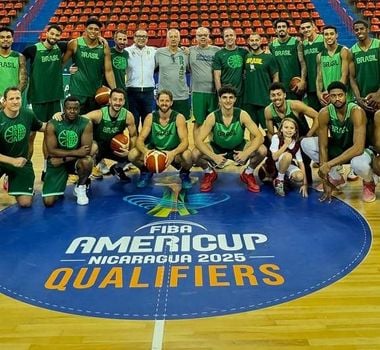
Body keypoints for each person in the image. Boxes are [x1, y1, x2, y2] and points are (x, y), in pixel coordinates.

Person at [301, 81, 374, 203]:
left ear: (346, 95)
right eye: (333, 96)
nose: (337, 99)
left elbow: (358, 148)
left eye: (340, 95)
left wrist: (329, 165)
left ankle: (369, 182)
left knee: (358, 165)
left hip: (360, 151)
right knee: (306, 143)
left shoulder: (356, 111)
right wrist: (325, 181)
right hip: (339, 147)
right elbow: (323, 146)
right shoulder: (324, 113)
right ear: (329, 97)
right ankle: (336, 178)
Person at [193, 85, 267, 192]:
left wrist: (246, 153)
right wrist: (213, 156)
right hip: (217, 148)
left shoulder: (242, 114)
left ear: (235, 99)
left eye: (231, 97)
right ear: (219, 99)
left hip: (238, 147)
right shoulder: (212, 117)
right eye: (224, 97)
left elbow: (259, 137)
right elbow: (198, 141)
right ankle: (209, 173)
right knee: (195, 154)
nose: (228, 100)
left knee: (262, 150)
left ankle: (248, 173)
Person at [23, 24, 66, 178]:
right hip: (37, 99)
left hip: (54, 98)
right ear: (46, 33)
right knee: (31, 136)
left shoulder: (61, 47)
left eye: (57, 35)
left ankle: (46, 169)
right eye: (52, 34)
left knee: (50, 134)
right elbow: (19, 63)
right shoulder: (32, 49)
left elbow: (78, 46)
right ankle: (24, 168)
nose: (54, 37)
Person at [128, 89, 193, 188]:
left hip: (173, 153)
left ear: (171, 102)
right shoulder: (150, 117)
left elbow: (185, 142)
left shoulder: (179, 118)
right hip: (154, 152)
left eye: (167, 101)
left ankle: (184, 174)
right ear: (157, 102)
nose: (164, 103)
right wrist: (146, 152)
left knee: (188, 155)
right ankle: (146, 171)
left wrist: (173, 153)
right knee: (132, 154)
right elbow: (140, 139)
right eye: (162, 101)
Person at [42, 96, 94, 207]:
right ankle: (59, 184)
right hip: (56, 162)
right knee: (48, 202)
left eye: (75, 108)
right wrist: (76, 152)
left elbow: (85, 151)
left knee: (87, 161)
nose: (72, 111)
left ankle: (80, 187)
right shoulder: (52, 124)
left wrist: (63, 159)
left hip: (66, 160)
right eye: (69, 108)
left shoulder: (86, 123)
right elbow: (51, 151)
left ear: (79, 109)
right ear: (64, 109)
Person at [263, 82, 319, 184]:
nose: (276, 98)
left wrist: (308, 135)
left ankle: (292, 173)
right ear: (270, 97)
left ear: (284, 95)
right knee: (262, 145)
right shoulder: (268, 111)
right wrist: (278, 146)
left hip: (301, 139)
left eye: (279, 94)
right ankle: (271, 168)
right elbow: (270, 133)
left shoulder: (295, 105)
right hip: (284, 140)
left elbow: (317, 117)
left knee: (306, 180)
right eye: (273, 95)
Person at [0, 87, 45, 208]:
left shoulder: (28, 114)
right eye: (11, 99)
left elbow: (43, 127)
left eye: (18, 98)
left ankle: (12, 182)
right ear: (4, 101)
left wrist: (58, 120)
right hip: (3, 161)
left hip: (21, 163)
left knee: (25, 203)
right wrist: (12, 161)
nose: (15, 101)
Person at [62, 17, 116, 114]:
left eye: (96, 29)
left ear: (99, 32)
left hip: (95, 92)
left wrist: (114, 91)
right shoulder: (75, 43)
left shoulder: (104, 47)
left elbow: (109, 71)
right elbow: (61, 63)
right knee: (75, 122)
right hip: (77, 91)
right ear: (85, 29)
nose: (93, 31)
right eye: (90, 28)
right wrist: (68, 70)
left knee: (94, 123)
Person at [86, 88, 137, 182]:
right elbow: (80, 119)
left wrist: (129, 151)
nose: (117, 102)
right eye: (115, 99)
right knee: (91, 148)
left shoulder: (128, 116)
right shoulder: (99, 114)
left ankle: (117, 168)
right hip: (98, 147)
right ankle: (86, 178)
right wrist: (62, 115)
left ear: (124, 101)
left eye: (120, 100)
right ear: (109, 100)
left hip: (115, 147)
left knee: (135, 153)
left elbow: (133, 136)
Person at [243, 33, 279, 130]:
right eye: (252, 40)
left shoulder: (269, 57)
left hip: (264, 98)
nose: (254, 43)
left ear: (260, 41)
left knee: (268, 129)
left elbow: (275, 76)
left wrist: (274, 94)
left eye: (256, 40)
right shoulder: (246, 57)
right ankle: (254, 145)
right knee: (252, 129)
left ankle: (271, 145)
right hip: (249, 100)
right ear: (248, 42)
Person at [189, 27, 220, 134]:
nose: (202, 37)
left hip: (214, 92)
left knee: (214, 121)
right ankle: (197, 146)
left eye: (205, 35)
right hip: (198, 92)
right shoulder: (190, 50)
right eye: (200, 35)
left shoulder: (217, 50)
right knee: (198, 122)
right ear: (196, 37)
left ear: (209, 36)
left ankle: (213, 146)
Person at [155, 29, 190, 120]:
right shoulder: (159, 53)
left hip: (181, 96)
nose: (173, 39)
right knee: (162, 123)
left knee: (182, 124)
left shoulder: (185, 53)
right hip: (164, 97)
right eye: (171, 37)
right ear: (167, 39)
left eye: (175, 37)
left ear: (179, 39)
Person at [126, 29, 156, 130]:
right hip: (132, 91)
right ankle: (134, 143)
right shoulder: (127, 52)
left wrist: (183, 49)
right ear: (134, 38)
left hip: (148, 91)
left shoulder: (153, 51)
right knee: (133, 120)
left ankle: (146, 143)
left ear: (147, 39)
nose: (141, 39)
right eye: (139, 36)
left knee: (148, 121)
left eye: (144, 37)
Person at [269, 19, 306, 100]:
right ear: (275, 30)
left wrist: (303, 80)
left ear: (288, 29)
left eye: (283, 26)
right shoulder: (272, 46)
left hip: (294, 85)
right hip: (280, 86)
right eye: (279, 27)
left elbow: (303, 64)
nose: (281, 29)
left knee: (297, 111)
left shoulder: (297, 43)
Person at [270, 118, 308, 197]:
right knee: (288, 155)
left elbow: (301, 163)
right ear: (281, 129)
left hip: (287, 165)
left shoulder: (296, 143)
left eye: (292, 128)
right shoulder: (276, 138)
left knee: (300, 176)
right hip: (275, 164)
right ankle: (279, 180)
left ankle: (285, 180)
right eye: (286, 127)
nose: (289, 130)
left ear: (295, 131)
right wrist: (286, 145)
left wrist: (305, 184)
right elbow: (274, 157)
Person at [349, 20, 379, 117]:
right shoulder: (352, 51)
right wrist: (358, 98)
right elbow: (352, 78)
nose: (359, 31)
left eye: (362, 29)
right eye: (356, 30)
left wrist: (378, 94)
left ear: (368, 30)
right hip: (364, 98)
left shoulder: (378, 45)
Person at [316, 25, 351, 107]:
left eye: (331, 34)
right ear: (323, 36)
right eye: (326, 34)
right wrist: (319, 93)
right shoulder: (320, 56)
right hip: (328, 96)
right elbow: (319, 78)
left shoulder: (343, 51)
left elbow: (344, 75)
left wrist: (335, 93)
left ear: (336, 35)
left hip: (342, 96)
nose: (329, 37)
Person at [212, 28, 247, 106]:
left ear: (235, 37)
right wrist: (220, 96)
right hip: (226, 93)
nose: (229, 37)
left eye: (231, 35)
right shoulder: (219, 54)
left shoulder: (243, 52)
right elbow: (217, 77)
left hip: (241, 93)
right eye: (226, 36)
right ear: (224, 38)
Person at [299, 18, 325, 111]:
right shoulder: (303, 44)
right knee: (315, 114)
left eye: (308, 27)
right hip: (311, 85)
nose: (306, 30)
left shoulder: (323, 40)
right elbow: (303, 64)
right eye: (303, 28)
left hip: (324, 83)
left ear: (314, 27)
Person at [0, 27, 27, 100]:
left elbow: (23, 81)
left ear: (12, 39)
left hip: (12, 100)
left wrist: (11, 97)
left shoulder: (19, 57)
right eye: (2, 37)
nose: (5, 39)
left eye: (8, 37)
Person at [109, 30, 129, 108]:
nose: (122, 42)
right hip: (110, 89)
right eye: (120, 39)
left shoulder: (126, 54)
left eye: (124, 40)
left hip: (122, 89)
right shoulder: (109, 52)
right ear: (115, 39)